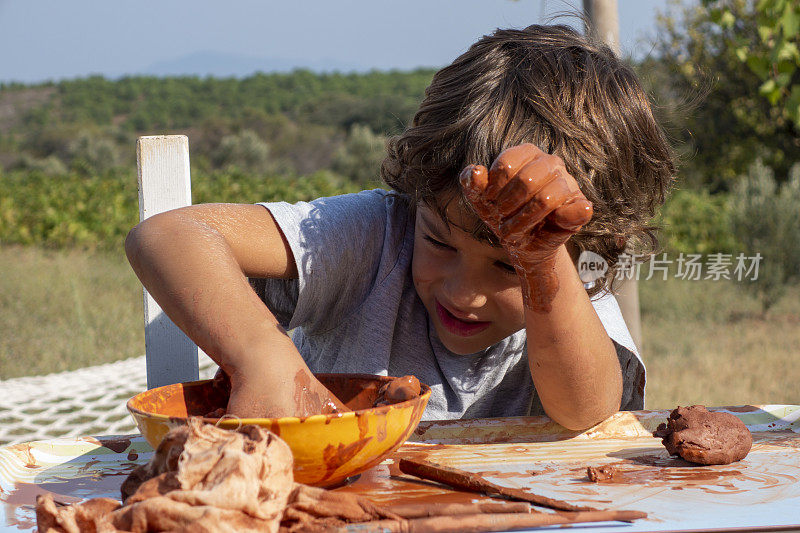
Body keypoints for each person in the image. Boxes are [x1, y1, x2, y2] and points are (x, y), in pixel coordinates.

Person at [125, 24, 674, 430]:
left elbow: (588, 410)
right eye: (439, 241)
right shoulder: (377, 237)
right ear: (415, 202)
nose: (462, 292)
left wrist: (543, 264)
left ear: (589, 254)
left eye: (508, 265)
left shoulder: (572, 291)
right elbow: (168, 237)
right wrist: (263, 359)